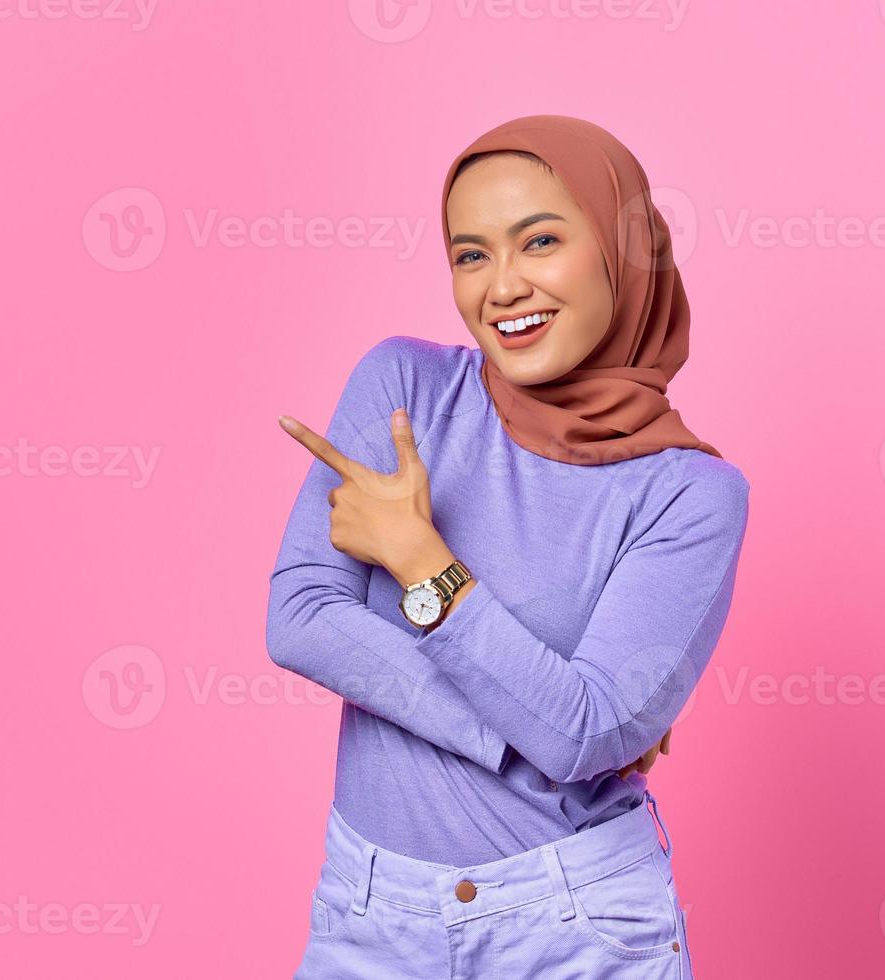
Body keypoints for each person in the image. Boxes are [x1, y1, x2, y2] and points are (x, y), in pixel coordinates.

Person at [266, 114, 749, 978]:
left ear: (619, 250)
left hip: (578, 925)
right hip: (370, 914)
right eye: (471, 255)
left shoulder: (690, 496)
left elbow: (590, 733)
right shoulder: (406, 387)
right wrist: (523, 736)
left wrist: (421, 561)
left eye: (540, 242)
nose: (502, 287)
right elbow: (301, 618)